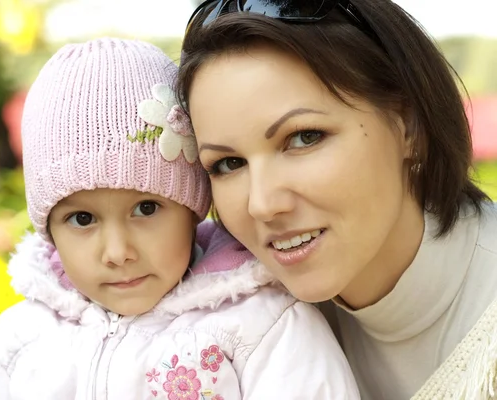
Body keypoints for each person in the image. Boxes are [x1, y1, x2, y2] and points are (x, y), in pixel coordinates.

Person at [0, 37, 359, 399]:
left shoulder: (265, 328)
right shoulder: (21, 340)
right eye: (81, 219)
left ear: (192, 209)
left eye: (146, 208)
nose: (117, 252)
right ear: (50, 233)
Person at [177, 0, 497, 399]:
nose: (262, 204)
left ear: (408, 124)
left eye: (304, 137)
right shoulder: (232, 316)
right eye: (228, 163)